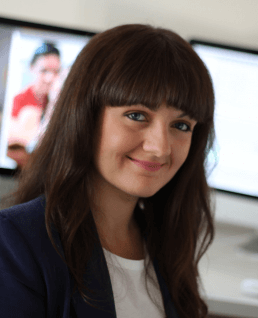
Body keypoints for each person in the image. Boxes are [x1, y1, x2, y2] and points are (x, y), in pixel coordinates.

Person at [0, 24, 215, 318]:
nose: (160, 148)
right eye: (136, 115)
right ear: (84, 116)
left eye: (181, 125)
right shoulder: (14, 244)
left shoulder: (167, 242)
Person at [7, 42, 61, 169]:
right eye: (44, 71)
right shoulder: (18, 101)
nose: (50, 78)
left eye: (56, 71)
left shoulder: (56, 101)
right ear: (31, 68)